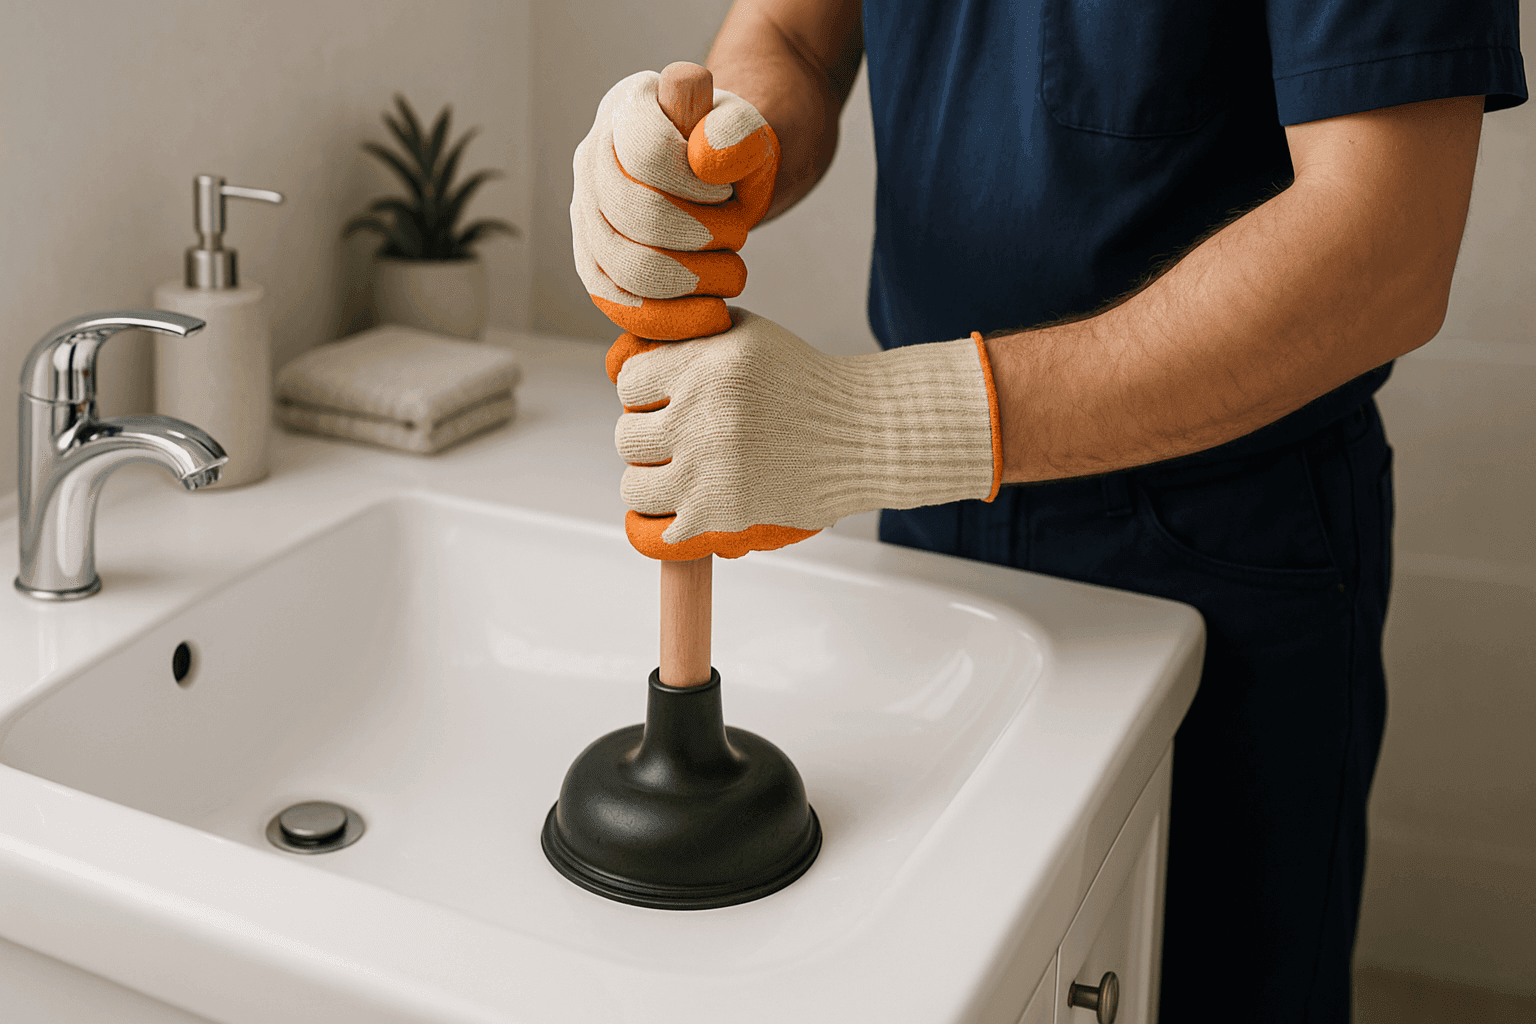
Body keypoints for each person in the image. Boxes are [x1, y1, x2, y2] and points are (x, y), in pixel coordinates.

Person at [570, 0, 1526, 1019]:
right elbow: (795, 34)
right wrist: (725, 140)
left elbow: (1386, 244)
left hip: (1223, 548)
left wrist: (891, 424)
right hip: (934, 531)